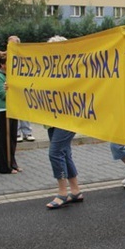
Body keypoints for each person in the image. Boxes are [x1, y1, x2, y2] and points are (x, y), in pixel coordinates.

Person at [44, 36, 83, 209]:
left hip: (68, 117)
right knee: (64, 152)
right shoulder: (46, 70)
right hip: (51, 118)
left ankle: (62, 192)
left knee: (55, 152)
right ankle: (75, 190)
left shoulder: (72, 69)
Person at [0, 51, 19, 174]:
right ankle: (5, 167)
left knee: (13, 138)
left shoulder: (10, 75)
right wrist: (12, 89)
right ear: (2, 64)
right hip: (2, 110)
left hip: (12, 109)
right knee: (5, 139)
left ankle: (13, 163)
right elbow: (2, 94)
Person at [8, 36, 35, 142]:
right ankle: (17, 133)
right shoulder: (7, 56)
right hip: (13, 88)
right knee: (15, 111)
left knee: (25, 110)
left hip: (23, 87)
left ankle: (27, 132)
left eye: (14, 44)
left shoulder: (24, 56)